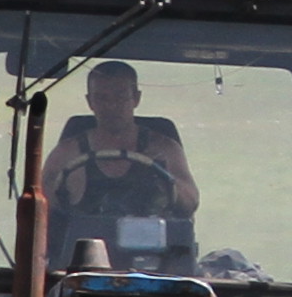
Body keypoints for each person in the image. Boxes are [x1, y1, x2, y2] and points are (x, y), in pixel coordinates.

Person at [42, 58, 199, 255]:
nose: (111, 106)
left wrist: (167, 179)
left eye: (120, 97)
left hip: (152, 263)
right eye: (102, 98)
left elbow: (190, 205)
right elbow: (40, 216)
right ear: (90, 102)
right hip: (81, 265)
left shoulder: (165, 149)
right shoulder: (66, 154)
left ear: (136, 98)